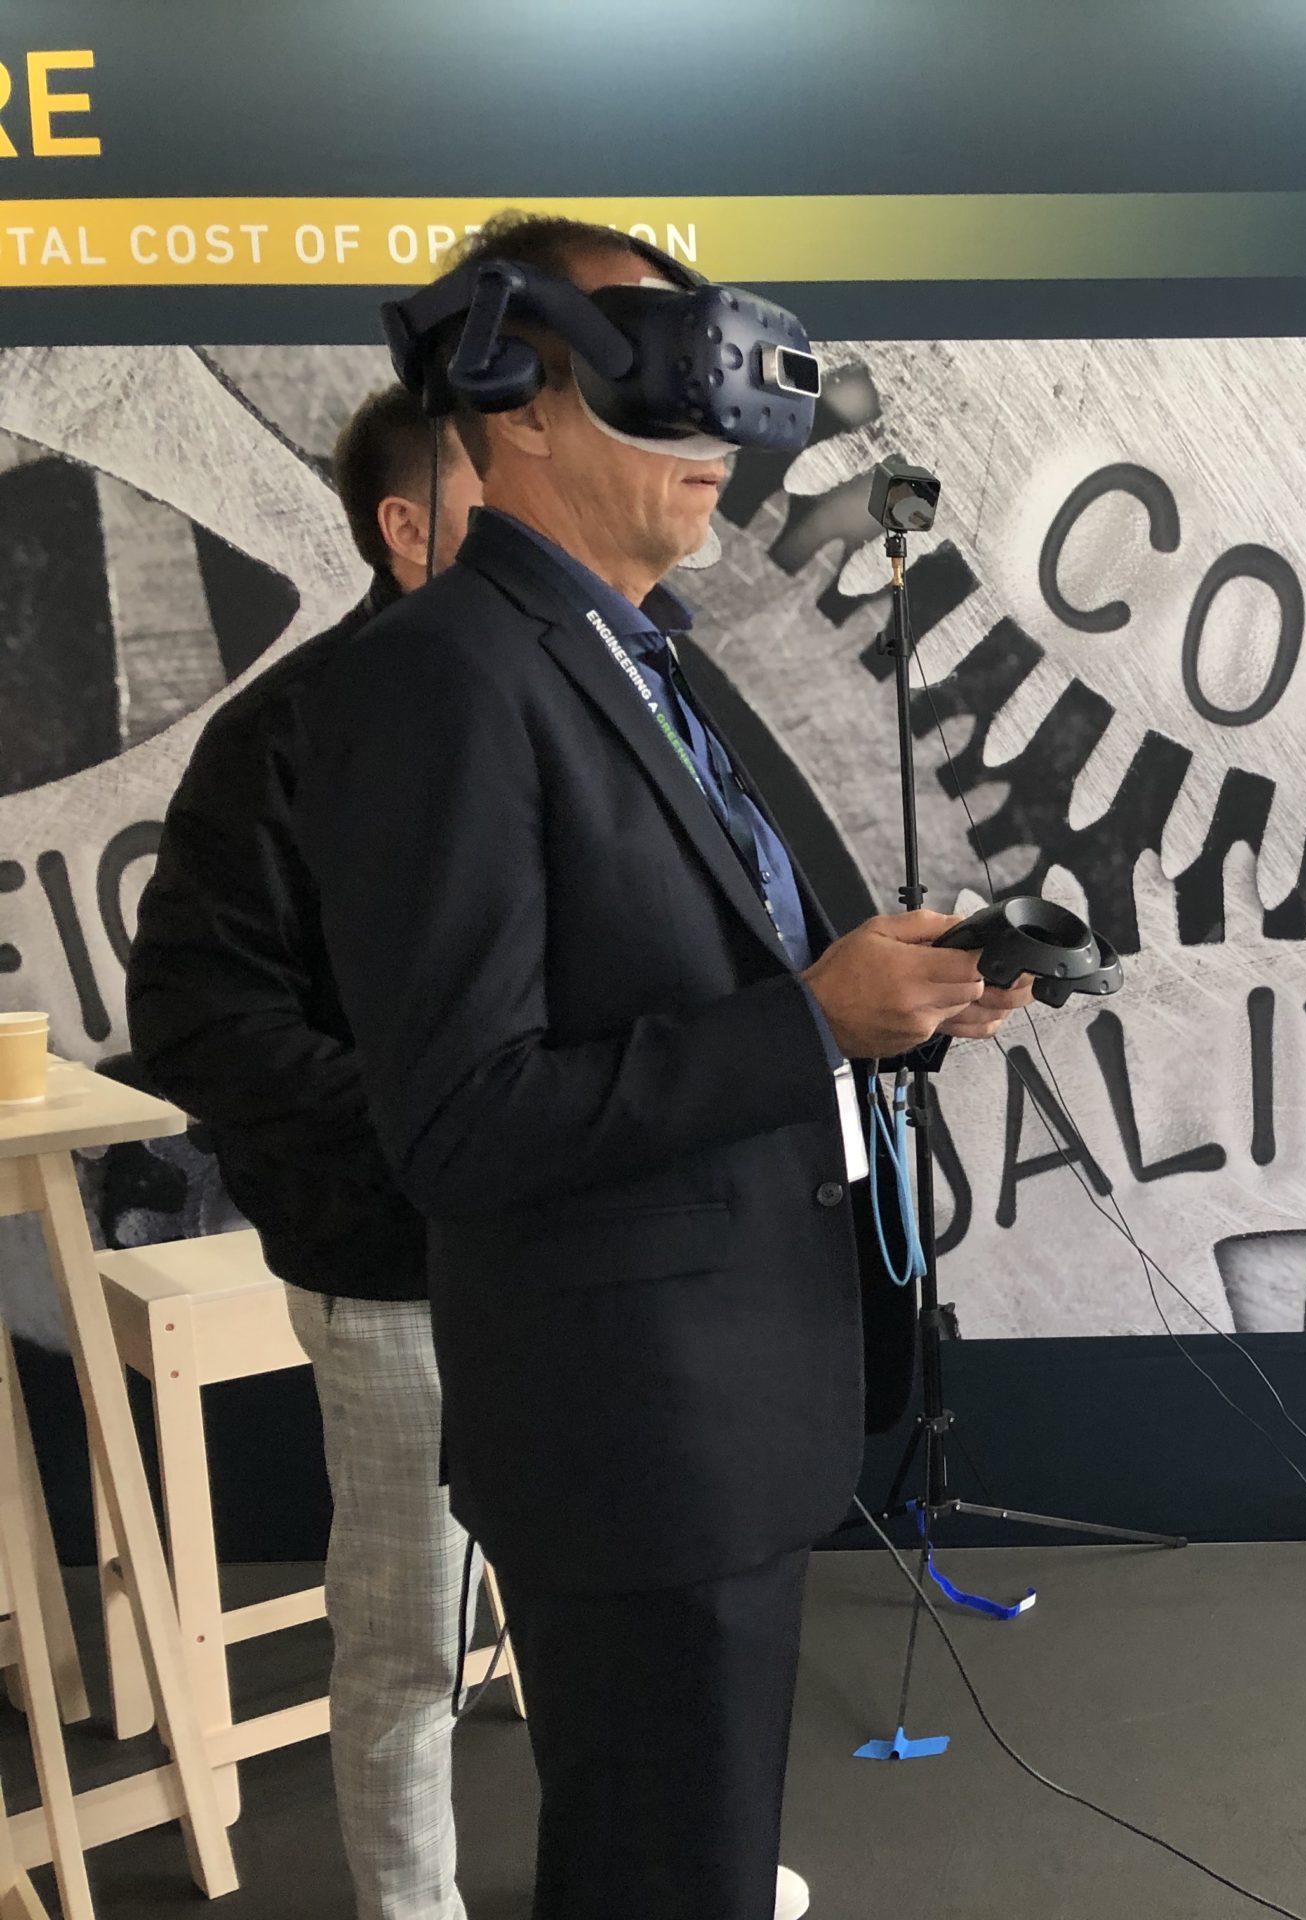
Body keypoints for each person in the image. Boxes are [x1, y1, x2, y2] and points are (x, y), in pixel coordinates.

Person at [292, 214, 1031, 1920]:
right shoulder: (443, 682)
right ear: (517, 393)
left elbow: (666, 992)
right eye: (657, 390)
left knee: (673, 1869)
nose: (711, 449)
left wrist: (881, 1000)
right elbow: (464, 1121)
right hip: (631, 1432)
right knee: (657, 1880)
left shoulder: (639, 662)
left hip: (723, 1410)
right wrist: (806, 1024)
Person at [126, 386, 488, 1920]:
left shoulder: (578, 704)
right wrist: (445, 1121)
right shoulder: (285, 740)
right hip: (391, 1266)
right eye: (508, 503)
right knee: (408, 1647)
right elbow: (203, 1026)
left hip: (580, 1260)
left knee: (616, 1605)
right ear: (406, 532)